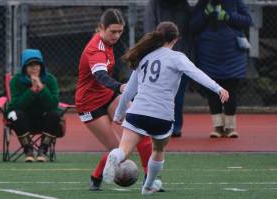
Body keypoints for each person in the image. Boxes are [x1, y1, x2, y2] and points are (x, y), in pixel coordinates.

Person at [102, 21, 229, 195]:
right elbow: (196, 73)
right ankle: (148, 186)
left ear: (157, 36)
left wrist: (118, 114)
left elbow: (129, 91)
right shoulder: (177, 57)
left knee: (124, 150)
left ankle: (115, 157)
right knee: (158, 149)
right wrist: (218, 88)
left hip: (137, 112)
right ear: (175, 39)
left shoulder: (144, 58)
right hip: (162, 116)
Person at [74, 8, 160, 191]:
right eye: (112, 31)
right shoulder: (95, 49)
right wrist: (120, 87)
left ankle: (150, 180)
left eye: (120, 31)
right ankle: (96, 177)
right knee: (118, 151)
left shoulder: (109, 44)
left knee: (140, 129)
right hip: (89, 104)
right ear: (101, 28)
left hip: (108, 95)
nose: (116, 35)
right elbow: (100, 76)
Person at [189, 0, 253, 138]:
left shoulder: (236, 2)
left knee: (231, 90)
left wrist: (228, 16)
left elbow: (247, 21)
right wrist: (205, 13)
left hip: (232, 53)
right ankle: (217, 127)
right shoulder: (203, 3)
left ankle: (231, 127)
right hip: (209, 53)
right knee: (213, 90)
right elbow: (192, 25)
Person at [143, 0, 193, 137]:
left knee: (178, 95)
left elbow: (191, 30)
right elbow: (150, 30)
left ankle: (174, 126)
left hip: (180, 57)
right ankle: (160, 125)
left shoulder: (183, 6)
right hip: (161, 58)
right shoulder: (154, 5)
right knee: (158, 94)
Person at [6, 48, 63, 162]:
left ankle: (43, 149)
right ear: (24, 67)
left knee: (55, 114)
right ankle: (28, 150)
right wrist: (31, 90)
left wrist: (41, 87)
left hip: (44, 120)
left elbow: (53, 104)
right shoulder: (16, 81)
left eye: (37, 64)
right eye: (30, 65)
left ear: (41, 66)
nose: (34, 67)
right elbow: (16, 105)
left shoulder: (50, 79)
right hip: (24, 121)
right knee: (14, 114)